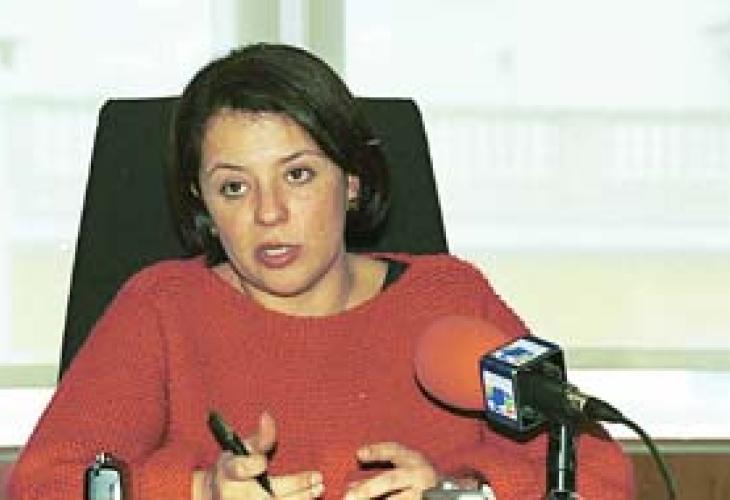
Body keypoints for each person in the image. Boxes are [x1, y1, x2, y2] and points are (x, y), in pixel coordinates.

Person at [7, 43, 634, 499]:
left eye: (298, 175)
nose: (269, 213)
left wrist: (461, 494)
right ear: (203, 205)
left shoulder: (450, 300)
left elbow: (601, 473)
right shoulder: (163, 308)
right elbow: (39, 486)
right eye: (233, 187)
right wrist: (197, 491)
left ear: (352, 181)